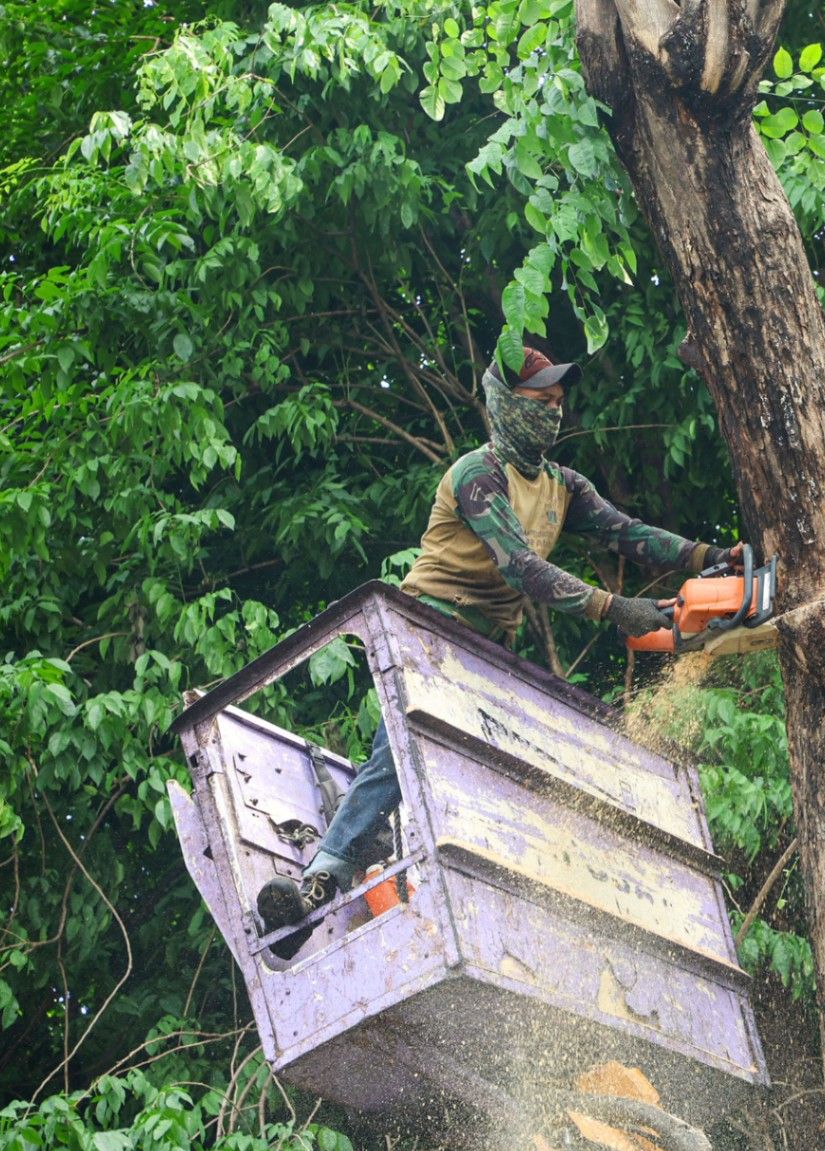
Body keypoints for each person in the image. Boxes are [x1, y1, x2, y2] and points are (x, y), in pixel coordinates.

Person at [256, 346, 739, 954]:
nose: (554, 415)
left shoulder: (565, 486)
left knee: (482, 773)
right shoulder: (476, 474)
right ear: (508, 405)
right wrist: (614, 608)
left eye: (560, 404)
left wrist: (710, 559)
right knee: (400, 752)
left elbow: (629, 533)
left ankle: (482, 912)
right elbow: (524, 569)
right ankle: (317, 885)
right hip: (424, 628)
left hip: (488, 650)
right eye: (542, 402)